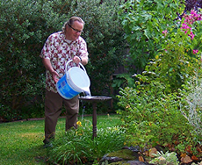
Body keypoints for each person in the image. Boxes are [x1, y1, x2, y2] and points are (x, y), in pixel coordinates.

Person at [40, 16, 89, 147]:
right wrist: (51, 71)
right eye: (75, 30)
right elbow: (45, 56)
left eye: (80, 31)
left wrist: (80, 59)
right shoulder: (53, 38)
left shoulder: (80, 42)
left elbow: (85, 59)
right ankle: (49, 140)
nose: (78, 34)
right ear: (67, 27)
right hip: (54, 83)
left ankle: (71, 139)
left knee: (73, 111)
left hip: (72, 86)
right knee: (52, 112)